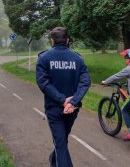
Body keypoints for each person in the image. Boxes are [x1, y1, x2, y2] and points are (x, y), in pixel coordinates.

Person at [36, 27, 91, 167]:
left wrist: (62, 100)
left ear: (52, 41)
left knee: (60, 143)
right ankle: (54, 160)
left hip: (54, 109)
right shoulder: (78, 59)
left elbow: (43, 82)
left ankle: (56, 160)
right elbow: (85, 82)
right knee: (62, 140)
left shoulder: (43, 58)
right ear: (67, 40)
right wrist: (73, 102)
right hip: (72, 109)